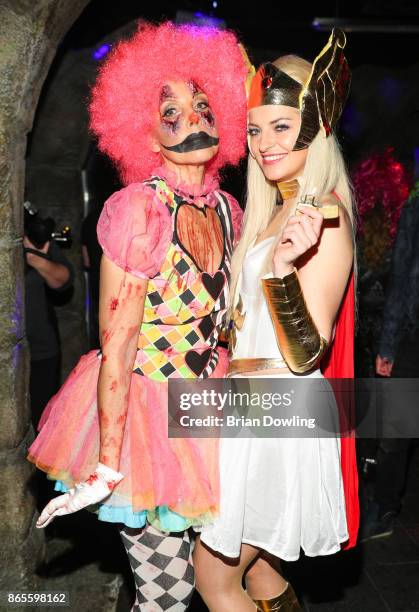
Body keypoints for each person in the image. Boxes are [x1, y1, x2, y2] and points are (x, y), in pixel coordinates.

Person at [27, 21, 248, 610]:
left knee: (222, 578)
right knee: (164, 595)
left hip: (211, 411)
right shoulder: (136, 211)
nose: (194, 120)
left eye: (203, 105)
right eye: (170, 111)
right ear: (142, 132)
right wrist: (106, 462)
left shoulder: (230, 210)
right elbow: (118, 344)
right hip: (146, 418)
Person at [193, 29, 359, 611]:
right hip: (249, 406)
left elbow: (305, 352)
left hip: (280, 410)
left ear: (316, 127)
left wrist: (283, 268)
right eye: (255, 128)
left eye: (281, 127)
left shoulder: (326, 214)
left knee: (213, 577)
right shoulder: (275, 210)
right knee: (259, 576)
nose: (263, 143)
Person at [360, 177, 419, 541]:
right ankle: (384, 507)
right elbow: (403, 280)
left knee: (396, 432)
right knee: (396, 431)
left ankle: (384, 510)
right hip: (411, 334)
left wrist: (388, 345)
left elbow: (403, 281)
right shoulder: (413, 207)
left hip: (410, 335)